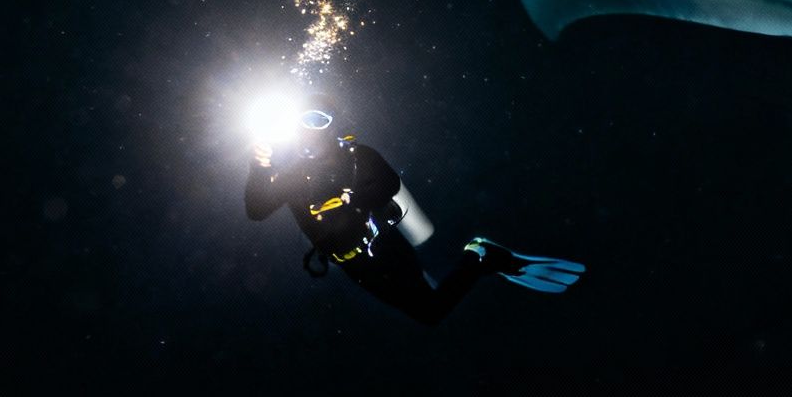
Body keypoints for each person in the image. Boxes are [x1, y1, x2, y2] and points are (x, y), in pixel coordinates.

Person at [245, 99, 584, 325]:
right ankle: (481, 258)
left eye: (319, 118)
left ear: (333, 125)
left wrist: (357, 199)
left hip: (383, 247)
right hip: (352, 266)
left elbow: (389, 184)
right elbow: (257, 210)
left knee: (431, 312)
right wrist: (258, 169)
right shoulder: (289, 176)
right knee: (430, 315)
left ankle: (481, 256)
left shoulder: (357, 155)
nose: (311, 127)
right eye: (304, 120)